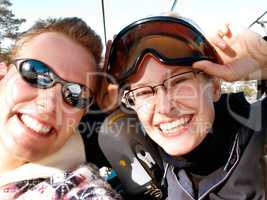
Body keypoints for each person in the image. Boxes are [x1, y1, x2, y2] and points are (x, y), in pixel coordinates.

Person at [102, 14, 267, 199]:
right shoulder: (159, 161)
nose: (165, 108)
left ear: (214, 87)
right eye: (143, 93)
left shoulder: (260, 133)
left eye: (180, 82)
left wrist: (263, 57)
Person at [0, 17, 122, 199]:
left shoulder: (80, 189)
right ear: (3, 75)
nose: (48, 106)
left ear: (83, 113)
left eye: (75, 95)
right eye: (34, 73)